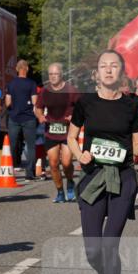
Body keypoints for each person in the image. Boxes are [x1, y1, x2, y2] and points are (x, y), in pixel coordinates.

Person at [67, 50, 138, 274]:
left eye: (113, 66)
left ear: (121, 72)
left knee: (109, 243)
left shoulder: (131, 104)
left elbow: (136, 142)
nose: (108, 70)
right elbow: (72, 137)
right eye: (103, 66)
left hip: (123, 177)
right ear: (96, 73)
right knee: (93, 249)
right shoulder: (86, 103)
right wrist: (78, 154)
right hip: (94, 178)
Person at [36, 62, 80, 202]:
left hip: (68, 132)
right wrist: (40, 116)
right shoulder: (45, 91)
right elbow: (38, 108)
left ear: (61, 75)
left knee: (66, 163)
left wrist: (75, 116)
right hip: (51, 131)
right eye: (51, 74)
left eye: (56, 74)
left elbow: (82, 107)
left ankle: (70, 183)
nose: (53, 77)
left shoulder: (71, 90)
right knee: (53, 164)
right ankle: (60, 191)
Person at [5, 59, 38, 179]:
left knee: (12, 145)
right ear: (27, 69)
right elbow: (35, 101)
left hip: (14, 118)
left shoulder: (11, 84)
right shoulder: (32, 83)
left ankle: (11, 170)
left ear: (17, 69)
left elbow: (8, 102)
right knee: (31, 146)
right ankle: (29, 173)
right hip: (29, 118)